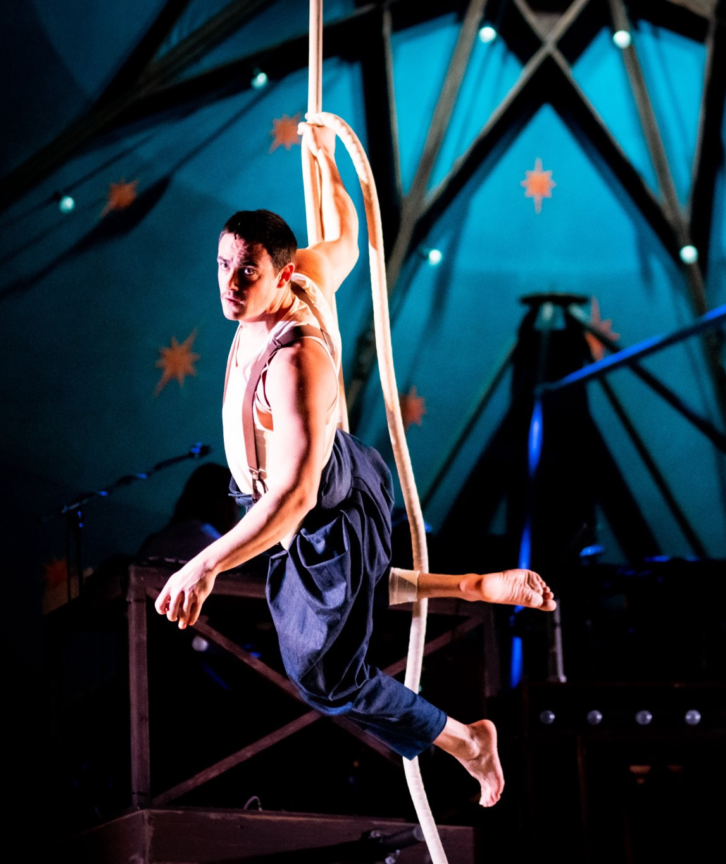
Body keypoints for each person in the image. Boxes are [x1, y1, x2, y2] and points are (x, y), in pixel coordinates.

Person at [153, 123, 555, 808]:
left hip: (323, 497)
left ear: (282, 274)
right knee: (335, 601)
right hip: (310, 494)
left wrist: (203, 563)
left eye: (247, 270)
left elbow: (293, 499)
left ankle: (465, 742)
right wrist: (327, 160)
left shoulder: (296, 358)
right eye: (223, 265)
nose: (230, 283)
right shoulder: (309, 271)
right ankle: (473, 586)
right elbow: (343, 231)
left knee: (322, 669)